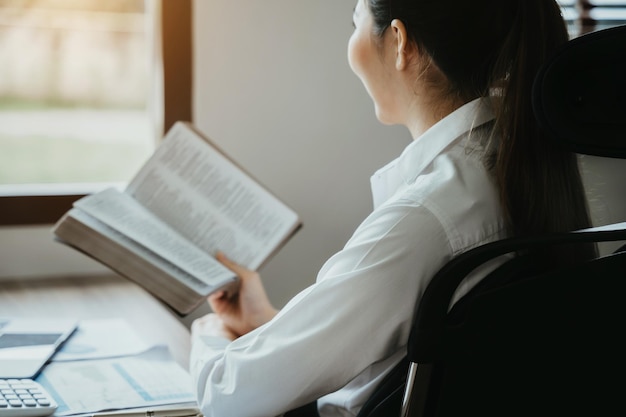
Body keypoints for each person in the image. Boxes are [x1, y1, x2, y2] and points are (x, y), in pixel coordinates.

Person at [189, 0, 595, 416]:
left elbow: (229, 397)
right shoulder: (514, 174)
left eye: (356, 21)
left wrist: (211, 334)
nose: (350, 43)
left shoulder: (426, 219)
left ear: (400, 42)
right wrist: (266, 322)